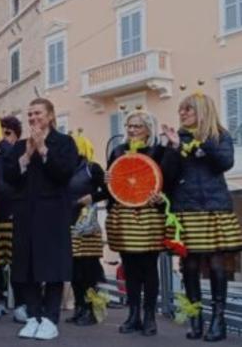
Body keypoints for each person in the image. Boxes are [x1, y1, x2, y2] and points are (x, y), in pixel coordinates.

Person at [161, 93, 242, 342]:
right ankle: (195, 316)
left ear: (201, 111)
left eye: (187, 109)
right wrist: (174, 149)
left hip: (214, 205)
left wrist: (201, 140)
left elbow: (225, 162)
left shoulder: (220, 135)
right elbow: (167, 175)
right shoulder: (176, 138)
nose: (182, 114)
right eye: (181, 110)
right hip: (186, 207)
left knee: (217, 263)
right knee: (190, 264)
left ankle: (218, 320)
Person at [4, 98, 79, 341]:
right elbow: (9, 177)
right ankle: (33, 316)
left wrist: (44, 149)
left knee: (53, 267)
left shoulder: (65, 143)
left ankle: (50, 318)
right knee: (27, 266)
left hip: (53, 214)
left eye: (38, 113)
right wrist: (26, 155)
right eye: (30, 114)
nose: (33, 118)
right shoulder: (20, 146)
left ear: (49, 116)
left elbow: (64, 173)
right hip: (26, 214)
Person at [105, 110, 166, 336]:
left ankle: (150, 317)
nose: (131, 130)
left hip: (150, 217)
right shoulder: (118, 151)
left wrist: (161, 198)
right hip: (125, 216)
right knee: (129, 267)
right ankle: (133, 315)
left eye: (137, 126)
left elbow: (166, 183)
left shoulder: (159, 152)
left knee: (149, 268)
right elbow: (113, 187)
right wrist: (108, 181)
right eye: (129, 126)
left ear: (148, 129)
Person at [0, 116, 26, 323]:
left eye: (7, 133)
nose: (2, 137)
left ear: (16, 136)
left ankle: (21, 304)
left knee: (17, 263)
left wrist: (2, 141)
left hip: (14, 217)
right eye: (1, 132)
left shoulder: (19, 151)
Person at [65, 132, 107, 327]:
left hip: (86, 227)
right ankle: (80, 307)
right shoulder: (63, 169)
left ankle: (91, 310)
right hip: (67, 225)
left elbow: (108, 189)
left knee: (88, 271)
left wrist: (91, 198)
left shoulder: (92, 168)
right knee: (74, 272)